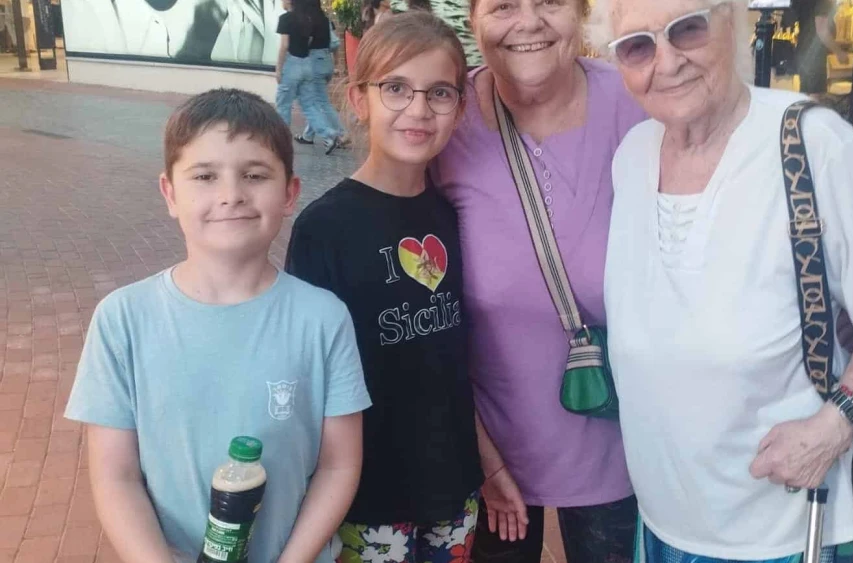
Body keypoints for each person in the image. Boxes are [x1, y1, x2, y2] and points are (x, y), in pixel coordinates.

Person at [591, 0, 853, 559]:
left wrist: (834, 429)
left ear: (730, 25)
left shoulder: (814, 144)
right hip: (660, 520)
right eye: (638, 46)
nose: (667, 60)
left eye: (687, 29)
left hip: (779, 528)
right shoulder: (633, 155)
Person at [63, 89, 371, 563]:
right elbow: (115, 475)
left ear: (290, 192)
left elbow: (338, 463)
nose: (231, 194)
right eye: (204, 176)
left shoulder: (323, 318)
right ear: (170, 193)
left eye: (255, 174)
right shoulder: (122, 319)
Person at [429, 0, 647, 560]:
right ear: (473, 21)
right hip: (489, 444)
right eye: (502, 6)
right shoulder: (445, 122)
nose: (528, 22)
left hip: (622, 436)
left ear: (581, 13)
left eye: (549, 2)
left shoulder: (637, 104)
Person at [285, 12, 484, 563]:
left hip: (453, 486)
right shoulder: (324, 228)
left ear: (459, 107)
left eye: (439, 92)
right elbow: (307, 374)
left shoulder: (452, 213)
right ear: (359, 98)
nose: (418, 109)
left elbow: (459, 356)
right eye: (396, 88)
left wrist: (486, 465)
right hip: (365, 497)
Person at [275, 0, 347, 154]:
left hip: (292, 64)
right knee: (310, 106)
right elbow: (310, 42)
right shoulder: (308, 19)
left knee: (284, 105)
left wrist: (279, 68)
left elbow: (284, 46)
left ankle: (281, 143)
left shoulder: (285, 18)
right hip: (307, 64)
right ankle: (329, 135)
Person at [298, 0, 349, 147]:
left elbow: (305, 43)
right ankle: (308, 136)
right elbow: (335, 43)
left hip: (315, 62)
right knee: (316, 101)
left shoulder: (308, 21)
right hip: (326, 61)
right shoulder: (325, 20)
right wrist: (336, 64)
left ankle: (342, 133)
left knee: (321, 103)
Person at [793, 0, 848, 97]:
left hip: (804, 51)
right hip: (815, 56)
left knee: (805, 98)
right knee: (815, 99)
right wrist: (839, 52)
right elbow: (822, 30)